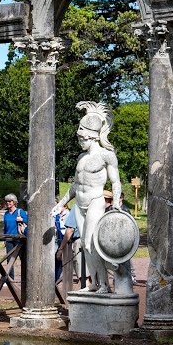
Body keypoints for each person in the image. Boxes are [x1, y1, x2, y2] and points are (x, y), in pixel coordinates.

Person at [52, 102, 122, 293]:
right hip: (79, 203)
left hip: (95, 201)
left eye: (82, 137)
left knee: (92, 242)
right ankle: (94, 283)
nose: (80, 140)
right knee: (84, 243)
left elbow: (116, 182)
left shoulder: (106, 155)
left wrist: (115, 203)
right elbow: (75, 185)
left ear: (92, 136)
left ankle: (105, 285)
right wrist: (61, 204)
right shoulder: (81, 158)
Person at [2, 193, 27, 280]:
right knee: (9, 260)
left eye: (10, 201)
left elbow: (29, 221)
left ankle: (25, 279)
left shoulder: (20, 212)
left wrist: (22, 219)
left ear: (14, 202)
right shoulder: (6, 214)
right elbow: (5, 227)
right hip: (9, 239)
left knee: (23, 259)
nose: (8, 203)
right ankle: (10, 278)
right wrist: (4, 239)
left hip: (19, 239)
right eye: (7, 201)